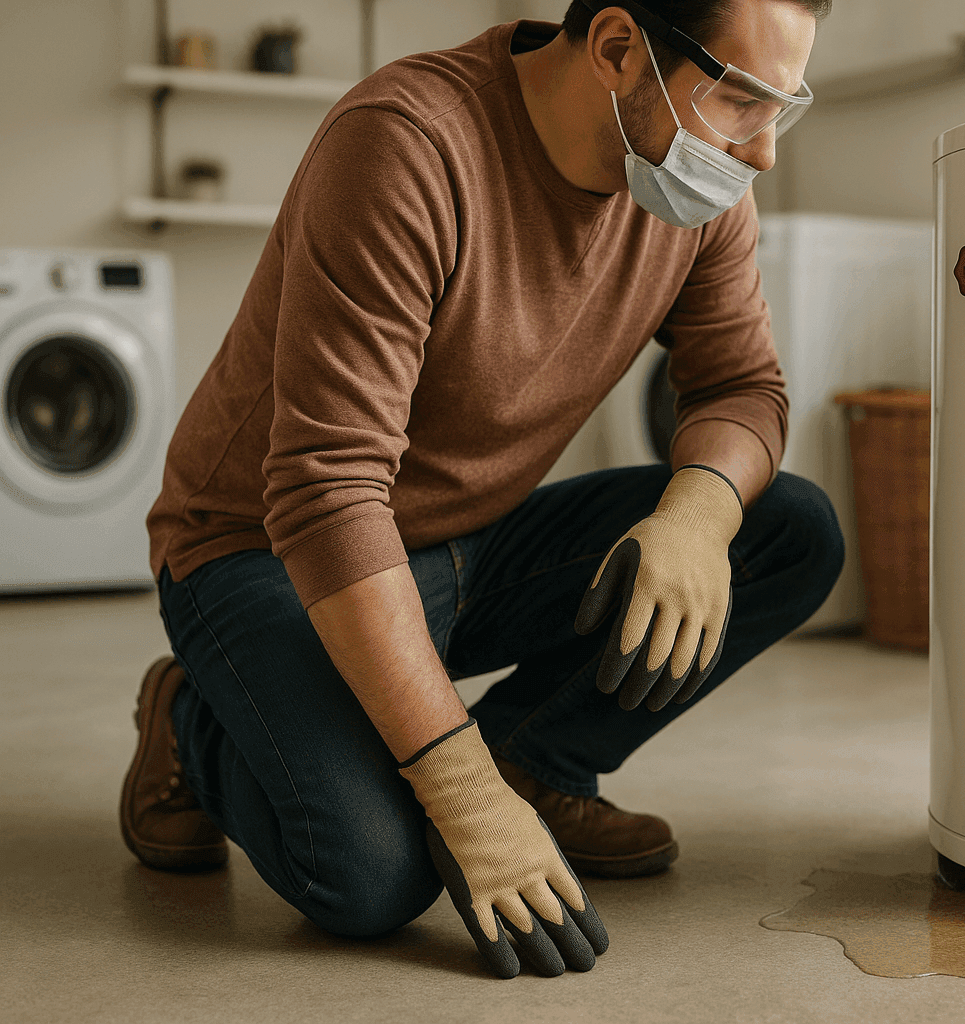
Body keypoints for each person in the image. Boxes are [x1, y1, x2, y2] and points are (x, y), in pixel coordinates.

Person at [118, 0, 841, 979]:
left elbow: (740, 384)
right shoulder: (406, 146)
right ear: (620, 48)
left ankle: (533, 763)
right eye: (739, 99)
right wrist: (457, 793)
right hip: (261, 549)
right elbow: (327, 493)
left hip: (465, 539)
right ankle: (192, 712)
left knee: (787, 529)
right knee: (370, 878)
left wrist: (696, 516)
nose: (757, 155)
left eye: (781, 107)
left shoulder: (693, 188)